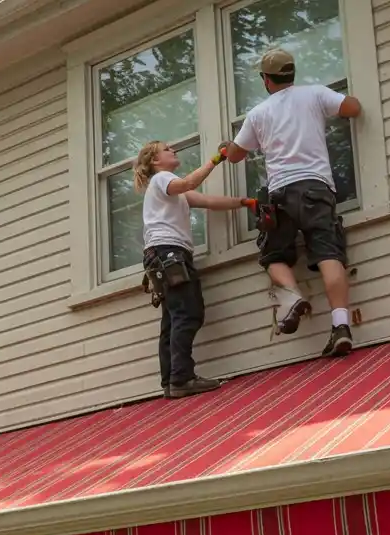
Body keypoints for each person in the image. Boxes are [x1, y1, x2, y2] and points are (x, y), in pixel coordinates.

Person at [222, 48, 363, 357]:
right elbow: (353, 107)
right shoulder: (314, 95)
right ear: (292, 73)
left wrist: (229, 146)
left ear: (265, 80)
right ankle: (341, 326)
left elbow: (233, 156)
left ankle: (293, 297)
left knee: (273, 255)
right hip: (316, 188)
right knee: (328, 253)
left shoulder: (259, 114)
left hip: (281, 194)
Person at [135, 140, 256, 398]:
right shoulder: (162, 180)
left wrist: (244, 202)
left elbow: (209, 201)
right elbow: (189, 183)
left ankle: (170, 380)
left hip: (162, 255)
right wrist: (216, 159)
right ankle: (182, 378)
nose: (174, 151)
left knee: (173, 317)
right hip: (168, 253)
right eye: (168, 150)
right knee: (189, 313)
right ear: (156, 161)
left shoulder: (172, 192)